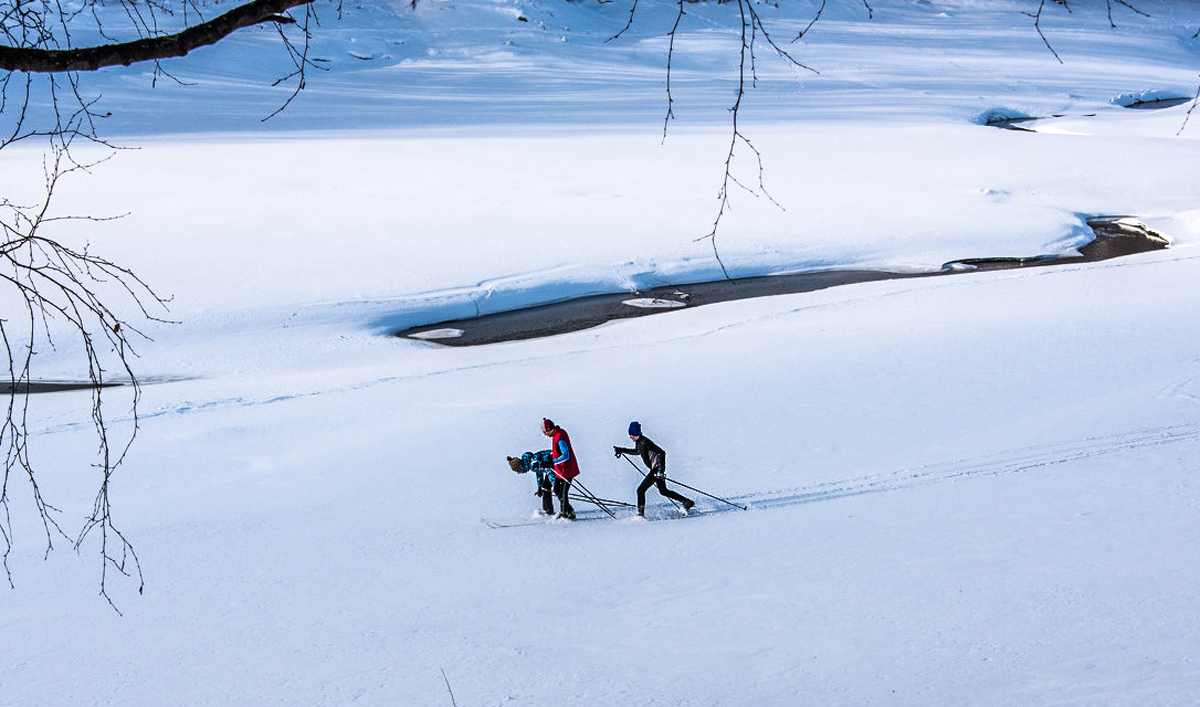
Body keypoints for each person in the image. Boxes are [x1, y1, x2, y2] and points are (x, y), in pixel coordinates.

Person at [614, 421, 694, 517]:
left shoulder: (646, 442)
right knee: (663, 491)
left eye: (632, 435)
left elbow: (662, 452)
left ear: (637, 434)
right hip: (656, 469)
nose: (631, 437)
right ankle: (686, 501)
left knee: (640, 490)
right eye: (630, 435)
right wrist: (622, 450)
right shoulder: (639, 442)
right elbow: (637, 451)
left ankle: (640, 516)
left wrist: (661, 469)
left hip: (657, 469)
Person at [541, 418, 579, 520]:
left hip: (567, 470)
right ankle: (569, 511)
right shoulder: (557, 435)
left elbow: (566, 455)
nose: (544, 434)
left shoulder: (560, 437)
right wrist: (552, 457)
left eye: (544, 432)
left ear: (548, 429)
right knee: (557, 489)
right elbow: (558, 452)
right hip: (560, 470)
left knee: (563, 492)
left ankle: (565, 514)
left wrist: (552, 462)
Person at [507, 451, 557, 515]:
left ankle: (565, 511)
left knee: (552, 489)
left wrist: (555, 484)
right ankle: (548, 510)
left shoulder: (533, 463)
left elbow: (548, 469)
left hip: (557, 466)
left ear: (521, 467)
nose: (518, 473)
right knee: (545, 488)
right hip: (553, 467)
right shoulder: (531, 463)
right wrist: (539, 487)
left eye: (518, 471)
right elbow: (539, 472)